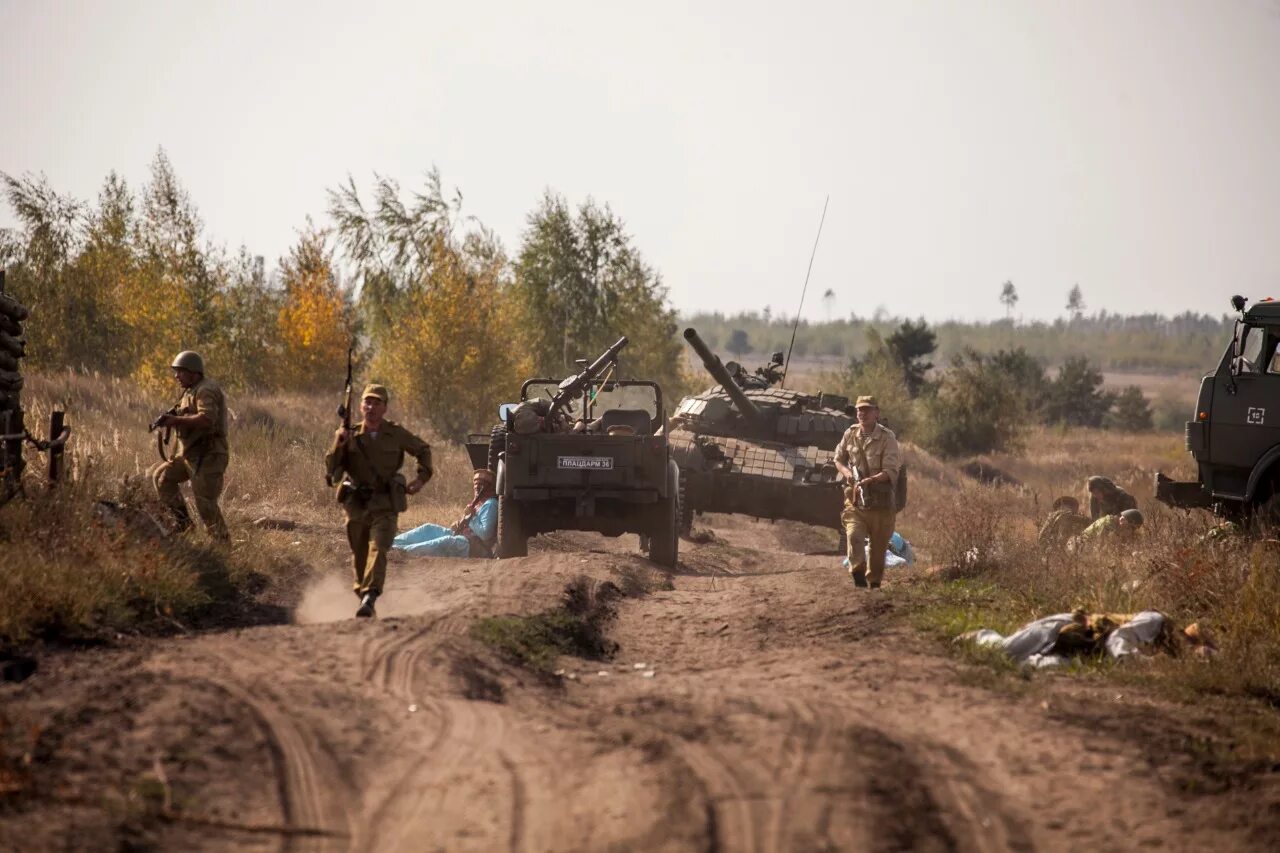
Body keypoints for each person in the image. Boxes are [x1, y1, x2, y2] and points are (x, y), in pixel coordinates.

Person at [324, 384, 433, 618]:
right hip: (356, 504)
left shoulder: (395, 433)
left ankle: (370, 596)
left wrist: (420, 480)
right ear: (361, 406)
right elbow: (332, 469)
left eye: (376, 403)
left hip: (385, 502)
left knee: (379, 547)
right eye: (367, 402)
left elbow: (423, 449)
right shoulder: (349, 433)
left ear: (385, 408)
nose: (371, 407)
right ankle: (363, 591)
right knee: (360, 553)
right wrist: (338, 443)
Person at [151, 350, 230, 541]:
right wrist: (170, 419)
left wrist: (175, 421)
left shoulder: (206, 389)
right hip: (189, 454)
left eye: (180, 371)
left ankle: (222, 546)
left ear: (194, 372)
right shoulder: (189, 391)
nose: (176, 376)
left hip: (208, 455)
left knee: (205, 503)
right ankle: (184, 525)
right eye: (175, 371)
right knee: (162, 477)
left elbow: (207, 419)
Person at [833, 395, 901, 589]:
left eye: (867, 410)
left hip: (881, 502)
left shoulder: (887, 438)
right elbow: (838, 458)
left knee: (878, 550)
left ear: (876, 413)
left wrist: (870, 480)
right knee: (854, 535)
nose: (862, 413)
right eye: (859, 410)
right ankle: (857, 571)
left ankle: (874, 583)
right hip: (856, 501)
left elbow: (891, 471)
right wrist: (847, 473)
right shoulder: (850, 434)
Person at [394, 469, 498, 558]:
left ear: (488, 487)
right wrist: (460, 523)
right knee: (428, 529)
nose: (476, 488)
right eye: (475, 484)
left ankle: (399, 552)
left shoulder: (490, 504)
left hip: (472, 546)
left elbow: (485, 534)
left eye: (481, 485)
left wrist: (472, 516)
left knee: (444, 542)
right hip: (462, 537)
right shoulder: (478, 502)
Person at [1070, 507, 1144, 553]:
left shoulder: (1112, 522)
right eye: (1131, 527)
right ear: (1122, 520)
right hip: (1077, 547)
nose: (1131, 531)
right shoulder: (1107, 525)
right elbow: (1101, 549)